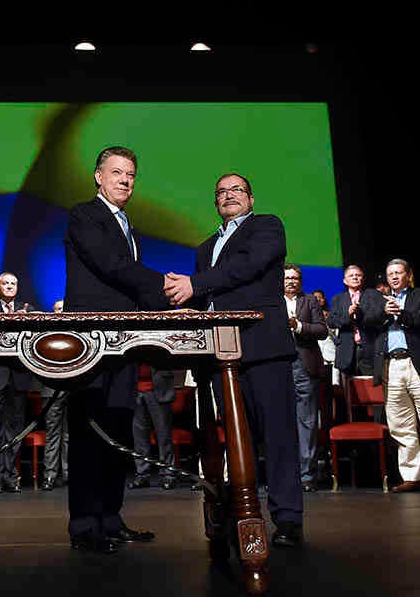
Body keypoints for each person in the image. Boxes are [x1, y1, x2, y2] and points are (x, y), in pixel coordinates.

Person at [164, 172, 303, 548]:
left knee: (277, 435)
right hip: (220, 356)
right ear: (215, 203)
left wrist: (196, 284)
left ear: (251, 198)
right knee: (236, 441)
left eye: (236, 190)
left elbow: (248, 267)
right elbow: (203, 296)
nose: (229, 196)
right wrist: (181, 305)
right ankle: (244, 514)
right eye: (221, 192)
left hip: (263, 348)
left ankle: (287, 518)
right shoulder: (205, 247)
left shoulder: (267, 228)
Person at [62, 146, 168, 554]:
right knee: (91, 430)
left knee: (119, 427)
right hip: (90, 339)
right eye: (117, 172)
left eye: (131, 175)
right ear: (98, 177)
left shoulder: (131, 229)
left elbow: (133, 285)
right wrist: (168, 287)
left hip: (126, 340)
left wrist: (170, 300)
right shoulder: (83, 215)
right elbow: (111, 265)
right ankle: (85, 525)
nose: (125, 180)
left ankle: (110, 517)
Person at [361, 259, 420, 493]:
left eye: (398, 273)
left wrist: (401, 314)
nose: (393, 277)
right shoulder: (379, 300)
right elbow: (368, 322)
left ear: (408, 275)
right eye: (390, 273)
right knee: (400, 425)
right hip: (391, 366)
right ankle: (412, 475)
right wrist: (384, 312)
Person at [0, 272, 35, 492]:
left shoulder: (28, 310)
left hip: (19, 376)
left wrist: (25, 321)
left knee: (15, 429)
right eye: (5, 283)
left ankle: (10, 476)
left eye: (13, 283)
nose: (10, 286)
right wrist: (11, 322)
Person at [283, 264, 330, 492]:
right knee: (281, 421)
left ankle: (307, 476)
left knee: (307, 421)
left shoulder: (309, 300)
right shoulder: (272, 301)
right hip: (278, 366)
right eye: (287, 278)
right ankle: (284, 475)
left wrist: (299, 326)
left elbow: (322, 330)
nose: (291, 281)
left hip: (304, 366)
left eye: (295, 278)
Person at [127, 363, 177, 489]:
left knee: (164, 436)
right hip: (134, 389)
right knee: (139, 437)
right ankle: (142, 475)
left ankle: (168, 475)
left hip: (159, 388)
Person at [329, 264, 384, 379]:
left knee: (371, 390)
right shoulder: (337, 299)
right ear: (345, 280)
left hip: (369, 349)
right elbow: (331, 322)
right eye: (351, 275)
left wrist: (359, 313)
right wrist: (348, 315)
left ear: (362, 278)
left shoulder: (373, 295)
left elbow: (379, 317)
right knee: (350, 392)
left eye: (358, 275)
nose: (355, 277)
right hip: (346, 351)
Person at [37, 298, 69, 490]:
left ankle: (68, 473)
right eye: (56, 309)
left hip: (72, 389)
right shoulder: (45, 334)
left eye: (63, 309)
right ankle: (49, 475)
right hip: (51, 390)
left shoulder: (76, 333)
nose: (60, 312)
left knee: (69, 435)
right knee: (53, 434)